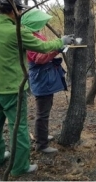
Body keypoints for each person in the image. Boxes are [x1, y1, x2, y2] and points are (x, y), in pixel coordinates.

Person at [0, 0, 75, 176]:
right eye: (19, 10)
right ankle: (20, 167)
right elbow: (42, 48)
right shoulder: (17, 31)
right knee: (18, 128)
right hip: (12, 91)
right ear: (13, 11)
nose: (20, 13)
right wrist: (62, 41)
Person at [21, 9, 68, 153]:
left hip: (44, 77)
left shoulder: (36, 35)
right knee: (42, 112)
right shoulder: (28, 37)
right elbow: (40, 59)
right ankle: (41, 145)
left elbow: (45, 51)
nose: (42, 24)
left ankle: (40, 135)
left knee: (44, 110)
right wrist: (57, 49)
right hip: (41, 78)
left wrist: (58, 47)